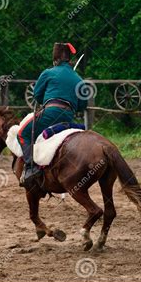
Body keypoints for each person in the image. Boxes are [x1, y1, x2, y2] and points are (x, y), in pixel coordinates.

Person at [18, 42, 87, 188]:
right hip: (68, 116)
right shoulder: (79, 79)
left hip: (50, 113)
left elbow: (37, 95)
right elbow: (82, 106)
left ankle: (31, 168)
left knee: (22, 133)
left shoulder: (48, 73)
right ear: (69, 60)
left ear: (55, 60)